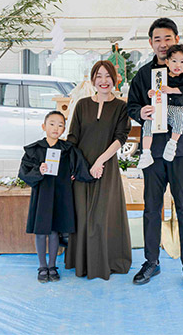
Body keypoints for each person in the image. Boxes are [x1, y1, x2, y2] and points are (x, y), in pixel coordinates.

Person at [127, 18, 183, 291]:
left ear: (177, 38)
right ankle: (151, 261)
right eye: (157, 40)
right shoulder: (143, 74)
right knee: (151, 207)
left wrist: (166, 98)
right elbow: (132, 106)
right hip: (154, 151)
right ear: (150, 43)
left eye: (168, 38)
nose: (163, 44)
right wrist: (141, 111)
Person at [65, 61, 132, 280]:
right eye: (99, 76)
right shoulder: (82, 104)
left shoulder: (122, 107)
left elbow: (120, 138)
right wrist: (74, 166)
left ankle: (106, 262)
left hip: (106, 167)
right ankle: (82, 263)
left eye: (108, 76)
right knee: (82, 215)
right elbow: (73, 137)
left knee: (102, 216)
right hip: (81, 168)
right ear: (92, 80)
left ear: (115, 79)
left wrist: (100, 162)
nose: (104, 81)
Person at [18, 111, 98, 283]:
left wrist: (91, 173)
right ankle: (42, 266)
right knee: (41, 231)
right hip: (42, 195)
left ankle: (52, 266)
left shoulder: (68, 150)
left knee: (54, 231)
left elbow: (80, 168)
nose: (56, 128)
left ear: (64, 129)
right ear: (44, 126)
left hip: (60, 195)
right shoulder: (35, 150)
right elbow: (23, 172)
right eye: (52, 123)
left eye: (60, 124)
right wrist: (38, 170)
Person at [136, 43, 183, 169]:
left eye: (182, 61)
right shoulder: (161, 75)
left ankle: (172, 144)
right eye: (174, 61)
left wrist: (172, 90)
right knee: (148, 121)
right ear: (167, 62)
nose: (177, 65)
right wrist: (150, 93)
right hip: (161, 107)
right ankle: (146, 153)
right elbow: (156, 91)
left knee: (180, 119)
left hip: (177, 109)